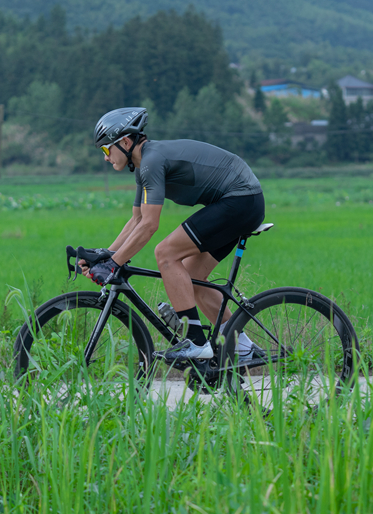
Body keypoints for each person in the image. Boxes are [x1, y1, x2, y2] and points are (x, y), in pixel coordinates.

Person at [81, 107, 266, 364]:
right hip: (243, 200)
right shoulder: (145, 164)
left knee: (165, 253)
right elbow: (137, 219)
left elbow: (149, 226)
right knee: (193, 279)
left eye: (105, 149)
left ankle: (195, 341)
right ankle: (243, 348)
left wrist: (114, 265)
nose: (105, 157)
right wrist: (107, 255)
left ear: (124, 142)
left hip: (240, 199)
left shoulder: (152, 162)